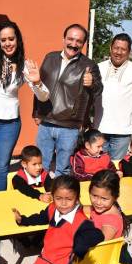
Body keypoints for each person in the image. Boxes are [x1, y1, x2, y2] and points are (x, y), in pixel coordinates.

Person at [0, 21, 50, 192]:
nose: (7, 43)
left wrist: (37, 81)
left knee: (2, 169)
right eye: (3, 40)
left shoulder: (24, 66)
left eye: (11, 39)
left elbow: (43, 96)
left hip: (8, 124)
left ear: (17, 40)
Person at [33, 24, 103, 177]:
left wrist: (92, 83)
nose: (73, 44)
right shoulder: (50, 57)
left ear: (83, 44)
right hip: (46, 121)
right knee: (39, 167)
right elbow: (39, 84)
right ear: (63, 39)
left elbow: (98, 90)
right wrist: (36, 112)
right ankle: (39, 197)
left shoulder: (89, 65)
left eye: (78, 41)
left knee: (63, 170)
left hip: (69, 126)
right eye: (70, 39)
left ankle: (61, 199)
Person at [12, 175, 104, 264]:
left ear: (77, 198)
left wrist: (79, 248)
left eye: (69, 199)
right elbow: (41, 217)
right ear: (53, 196)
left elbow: (98, 235)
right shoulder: (53, 208)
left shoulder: (81, 222)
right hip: (44, 259)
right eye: (58, 198)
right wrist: (23, 220)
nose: (63, 203)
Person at [94, 33, 132, 161]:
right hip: (99, 129)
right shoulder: (98, 68)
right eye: (116, 48)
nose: (119, 52)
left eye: (123, 49)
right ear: (110, 48)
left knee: (116, 168)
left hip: (122, 132)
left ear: (129, 52)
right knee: (97, 168)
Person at [83, 170, 128, 240]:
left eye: (104, 199)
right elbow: (84, 209)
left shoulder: (110, 223)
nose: (98, 202)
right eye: (94, 196)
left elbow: (97, 244)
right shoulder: (101, 208)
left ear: (115, 197)